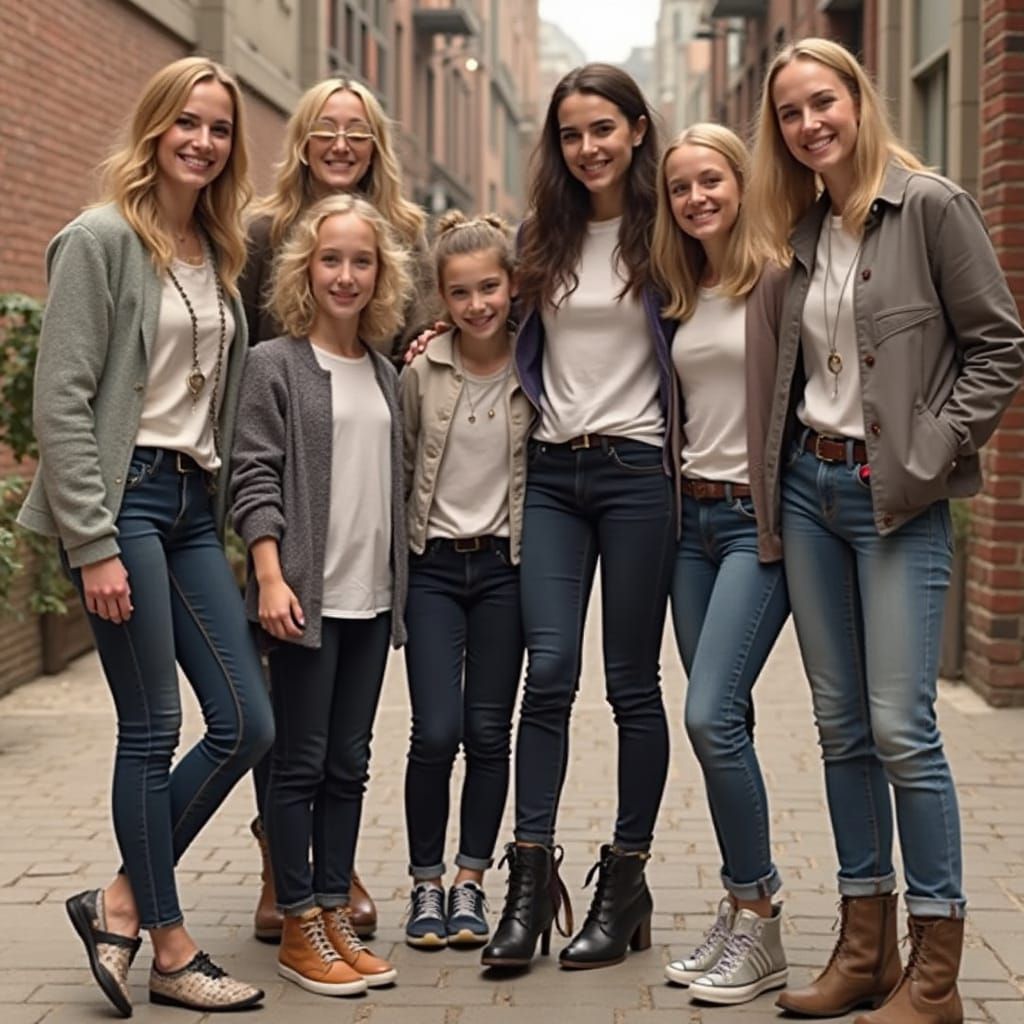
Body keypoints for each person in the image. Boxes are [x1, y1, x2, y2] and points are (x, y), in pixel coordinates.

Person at [749, 37, 1024, 1023]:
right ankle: (863, 950)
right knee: (838, 729)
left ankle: (936, 971)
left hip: (892, 501)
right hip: (810, 497)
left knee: (902, 726)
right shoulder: (805, 230)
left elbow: (998, 345)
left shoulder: (931, 206)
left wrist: (930, 448)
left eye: (822, 102)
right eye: (789, 113)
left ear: (858, 101)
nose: (809, 123)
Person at [17, 57, 274, 1016]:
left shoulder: (218, 251)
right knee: (154, 726)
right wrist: (91, 543)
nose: (203, 141)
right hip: (121, 503)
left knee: (248, 721)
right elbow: (64, 400)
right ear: (156, 129)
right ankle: (168, 948)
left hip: (189, 506)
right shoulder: (98, 241)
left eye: (218, 128)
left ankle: (118, 900)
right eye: (188, 124)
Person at [478, 64, 677, 972]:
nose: (588, 146)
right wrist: (440, 333)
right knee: (548, 672)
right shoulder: (541, 235)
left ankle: (625, 880)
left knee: (632, 686)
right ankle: (527, 883)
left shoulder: (669, 232)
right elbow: (494, 316)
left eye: (603, 127)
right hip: (555, 476)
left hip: (639, 475)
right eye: (570, 133)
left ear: (637, 128)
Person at [239, 77, 430, 942]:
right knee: (295, 745)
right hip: (292, 544)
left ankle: (324, 884)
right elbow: (258, 433)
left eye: (358, 128)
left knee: (345, 755)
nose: (341, 140)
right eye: (326, 127)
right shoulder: (261, 238)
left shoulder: (406, 249)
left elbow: (416, 357)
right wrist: (266, 559)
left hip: (368, 574)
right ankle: (294, 887)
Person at [650, 123, 790, 1006]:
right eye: (679, 188)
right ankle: (743, 913)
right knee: (718, 726)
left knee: (709, 717)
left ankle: (762, 913)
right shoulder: (676, 288)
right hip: (687, 531)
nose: (696, 198)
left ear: (740, 183)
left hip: (753, 528)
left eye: (711, 181)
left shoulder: (778, 278)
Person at [399, 212, 528, 949]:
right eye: (460, 293)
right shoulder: (422, 369)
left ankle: (472, 882)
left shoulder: (535, 364)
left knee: (488, 732)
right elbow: (402, 462)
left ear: (513, 286)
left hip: (505, 570)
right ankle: (425, 881)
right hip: (437, 569)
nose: (477, 304)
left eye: (490, 287)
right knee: (435, 731)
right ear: (441, 300)